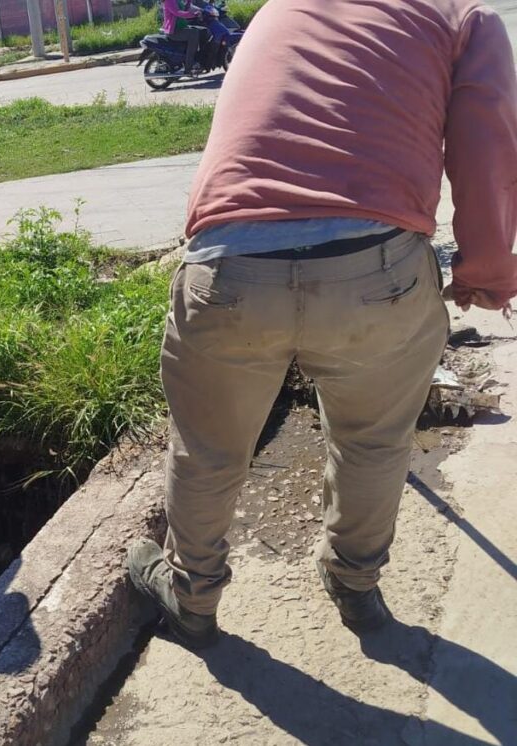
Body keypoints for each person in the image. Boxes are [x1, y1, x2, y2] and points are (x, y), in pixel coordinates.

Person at [128, 0, 517, 648]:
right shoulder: (462, 19)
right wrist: (486, 271)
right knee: (371, 440)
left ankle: (190, 596)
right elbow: (489, 151)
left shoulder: (281, 8)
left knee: (209, 448)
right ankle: (356, 587)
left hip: (225, 270)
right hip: (375, 274)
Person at [162, 0, 204, 74]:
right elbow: (178, 12)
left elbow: (184, 9)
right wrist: (193, 14)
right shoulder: (169, 1)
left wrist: (189, 3)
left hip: (181, 27)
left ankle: (197, 59)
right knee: (194, 34)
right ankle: (188, 67)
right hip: (174, 31)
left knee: (199, 30)